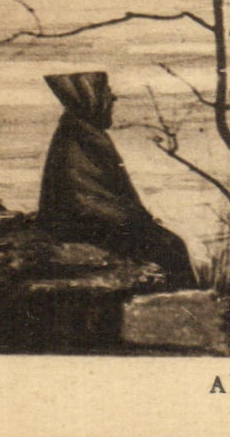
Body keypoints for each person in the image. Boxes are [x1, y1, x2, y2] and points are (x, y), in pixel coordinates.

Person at [38, 71, 196, 286]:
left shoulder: (82, 132)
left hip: (96, 223)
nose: (113, 98)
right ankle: (186, 309)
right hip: (85, 228)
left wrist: (136, 218)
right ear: (90, 98)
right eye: (106, 92)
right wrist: (133, 220)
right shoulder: (80, 136)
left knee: (170, 244)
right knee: (171, 246)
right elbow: (83, 200)